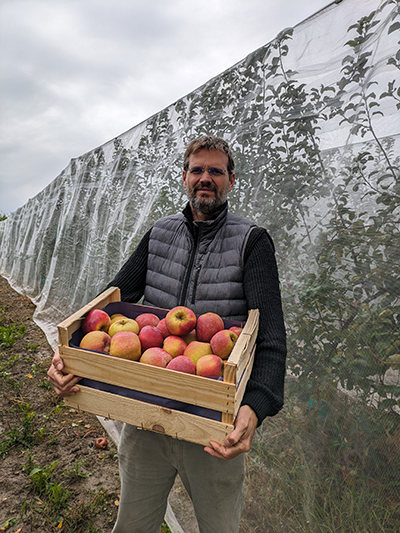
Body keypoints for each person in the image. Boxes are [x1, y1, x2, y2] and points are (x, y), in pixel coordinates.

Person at [48, 135, 287, 533]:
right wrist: (68, 356)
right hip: (145, 413)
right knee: (133, 525)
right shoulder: (160, 234)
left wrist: (257, 405)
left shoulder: (252, 242)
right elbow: (105, 306)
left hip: (212, 424)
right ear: (184, 178)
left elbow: (271, 335)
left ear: (231, 180)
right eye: (197, 170)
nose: (205, 178)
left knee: (219, 526)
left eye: (215, 171)